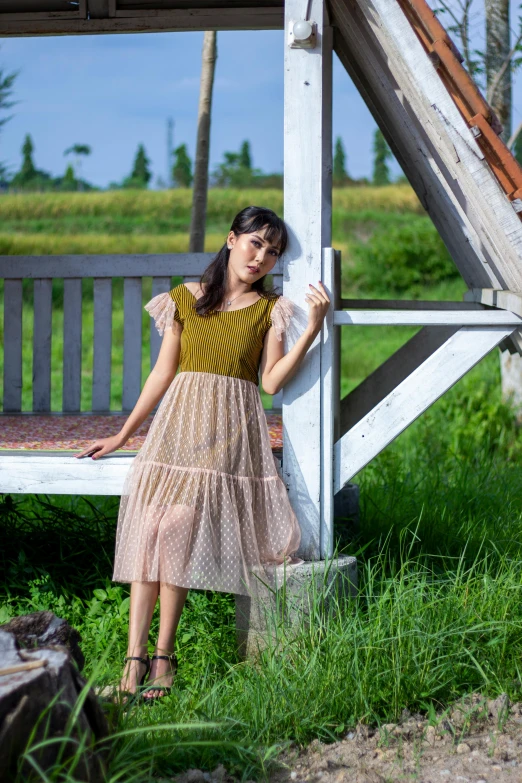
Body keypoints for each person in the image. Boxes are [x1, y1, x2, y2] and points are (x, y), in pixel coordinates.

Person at [75, 206, 330, 702]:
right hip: (176, 432)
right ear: (231, 240)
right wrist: (125, 434)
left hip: (228, 434)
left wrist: (314, 327)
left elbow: (271, 381)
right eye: (255, 243)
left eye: (273, 251)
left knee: (172, 530)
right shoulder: (185, 300)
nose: (262, 257)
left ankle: (164, 660)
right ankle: (134, 664)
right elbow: (162, 374)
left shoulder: (269, 310)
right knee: (149, 528)